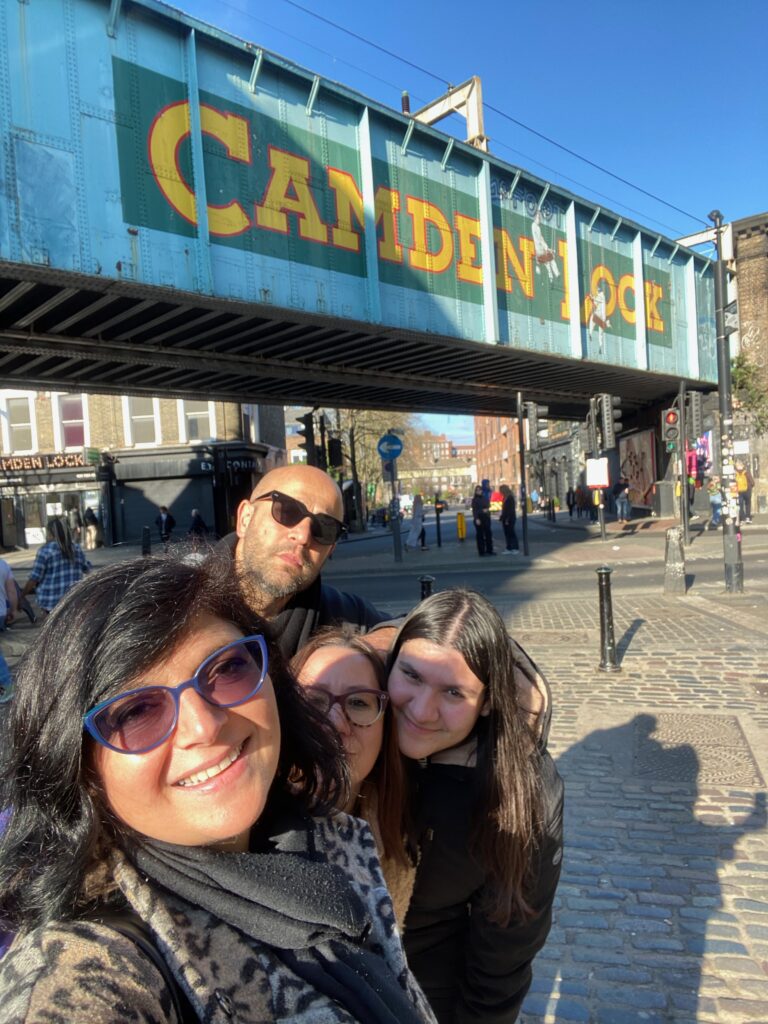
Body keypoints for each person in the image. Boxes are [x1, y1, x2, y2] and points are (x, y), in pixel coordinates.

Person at [0, 555, 435, 1024]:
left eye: (226, 668)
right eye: (133, 712)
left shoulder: (329, 842)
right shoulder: (90, 968)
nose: (204, 726)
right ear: (78, 764)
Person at [386, 589, 564, 1023]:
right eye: (410, 675)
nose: (422, 710)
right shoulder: (358, 730)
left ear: (486, 703)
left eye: (453, 692)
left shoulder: (521, 793)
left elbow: (501, 964)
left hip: (427, 1001)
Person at [291, 627, 413, 921]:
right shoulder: (250, 837)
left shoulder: (398, 837)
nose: (335, 723)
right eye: (314, 701)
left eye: (358, 703)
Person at [230, 464, 388, 658]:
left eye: (324, 528)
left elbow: (410, 631)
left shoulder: (341, 616)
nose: (304, 536)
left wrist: (377, 645)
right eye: (287, 511)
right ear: (245, 519)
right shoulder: (186, 597)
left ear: (331, 549)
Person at [21, 518, 90, 615]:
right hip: (73, 600)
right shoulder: (76, 549)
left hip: (50, 602)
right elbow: (86, 569)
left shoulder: (45, 551)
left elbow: (34, 578)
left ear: (50, 533)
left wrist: (22, 595)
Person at [470, 484, 494, 557]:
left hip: (486, 518)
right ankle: (481, 552)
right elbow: (474, 510)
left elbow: (489, 506)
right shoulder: (474, 500)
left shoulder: (484, 498)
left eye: (480, 490)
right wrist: (476, 518)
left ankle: (489, 550)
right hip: (479, 518)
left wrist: (487, 510)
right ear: (475, 492)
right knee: (480, 536)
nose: (479, 491)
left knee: (488, 535)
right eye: (477, 490)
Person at [499, 484, 519, 554]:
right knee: (507, 534)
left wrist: (507, 519)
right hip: (505, 518)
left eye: (501, 491)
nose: (500, 492)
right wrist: (502, 517)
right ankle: (509, 548)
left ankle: (515, 548)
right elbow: (504, 509)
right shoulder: (505, 497)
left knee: (511, 533)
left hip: (510, 518)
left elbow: (510, 509)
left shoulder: (510, 498)